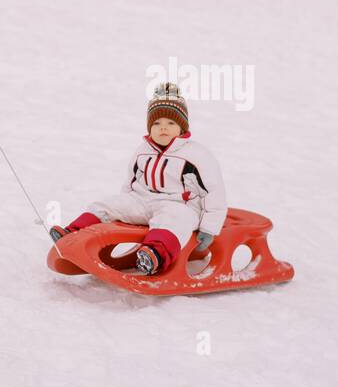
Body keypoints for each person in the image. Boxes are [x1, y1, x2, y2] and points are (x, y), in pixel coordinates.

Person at [49, 83, 227, 277]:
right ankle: (71, 233)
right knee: (106, 204)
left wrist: (209, 228)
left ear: (181, 127)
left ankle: (155, 255)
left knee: (172, 221)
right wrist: (124, 206)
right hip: (142, 201)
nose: (163, 129)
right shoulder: (142, 151)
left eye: (170, 123)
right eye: (157, 124)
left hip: (181, 206)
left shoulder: (196, 155)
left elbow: (214, 192)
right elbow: (130, 182)